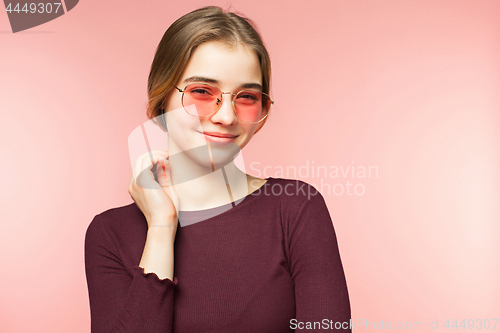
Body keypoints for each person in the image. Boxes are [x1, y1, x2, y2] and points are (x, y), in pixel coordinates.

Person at [84, 6, 351, 333]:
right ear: (162, 95)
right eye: (201, 92)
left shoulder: (297, 209)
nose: (226, 116)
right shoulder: (109, 234)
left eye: (247, 96)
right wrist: (161, 229)